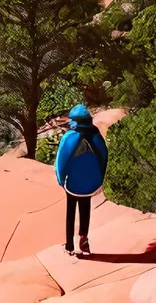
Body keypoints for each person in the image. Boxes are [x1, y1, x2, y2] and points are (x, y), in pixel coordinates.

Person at [54, 103, 108, 257]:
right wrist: (100, 178)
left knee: (70, 212)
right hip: (92, 183)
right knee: (85, 208)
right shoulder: (96, 135)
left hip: (72, 183)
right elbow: (104, 157)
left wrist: (61, 180)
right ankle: (83, 241)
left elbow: (61, 162)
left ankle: (69, 246)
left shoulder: (69, 137)